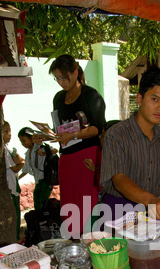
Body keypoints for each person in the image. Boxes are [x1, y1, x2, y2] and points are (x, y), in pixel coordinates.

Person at [100, 66, 160, 223]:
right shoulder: (117, 135)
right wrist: (151, 200)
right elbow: (120, 180)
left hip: (152, 212)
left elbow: (157, 179)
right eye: (154, 99)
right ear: (139, 99)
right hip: (119, 211)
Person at [49, 54, 106, 238]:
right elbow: (58, 125)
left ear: (75, 73)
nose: (61, 82)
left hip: (87, 155)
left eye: (64, 77)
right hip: (66, 156)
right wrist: (49, 134)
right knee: (69, 200)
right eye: (57, 78)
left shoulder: (91, 96)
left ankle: (91, 238)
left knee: (86, 200)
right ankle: (72, 240)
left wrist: (74, 134)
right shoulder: (58, 98)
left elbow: (98, 128)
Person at [18, 127, 53, 211]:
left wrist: (45, 153)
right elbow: (26, 170)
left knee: (43, 203)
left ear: (31, 139)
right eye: (21, 141)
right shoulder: (27, 154)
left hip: (45, 179)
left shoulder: (40, 148)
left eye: (24, 140)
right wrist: (17, 178)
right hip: (38, 181)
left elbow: (53, 150)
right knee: (37, 202)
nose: (23, 143)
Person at [3, 121, 25, 240]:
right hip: (10, 187)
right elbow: (16, 167)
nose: (9, 134)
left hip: (13, 185)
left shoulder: (9, 149)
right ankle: (16, 238)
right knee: (15, 215)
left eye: (10, 130)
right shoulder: (4, 151)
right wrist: (22, 163)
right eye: (6, 131)